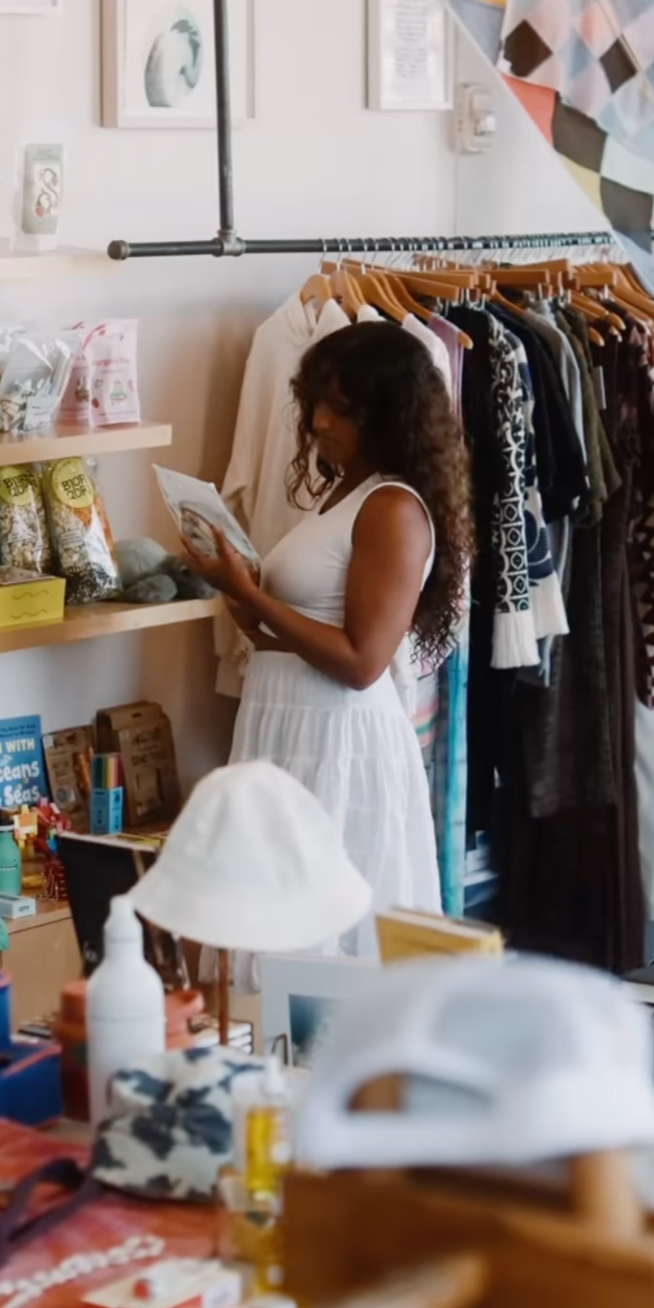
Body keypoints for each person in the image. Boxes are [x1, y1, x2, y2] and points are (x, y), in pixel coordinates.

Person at [188, 324, 472, 919]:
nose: (318, 422)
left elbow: (362, 663)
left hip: (337, 739)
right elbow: (280, 641)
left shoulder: (391, 507)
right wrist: (233, 590)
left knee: (324, 936)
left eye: (339, 410)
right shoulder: (343, 492)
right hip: (286, 721)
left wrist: (252, 594)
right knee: (269, 922)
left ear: (385, 414)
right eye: (315, 402)